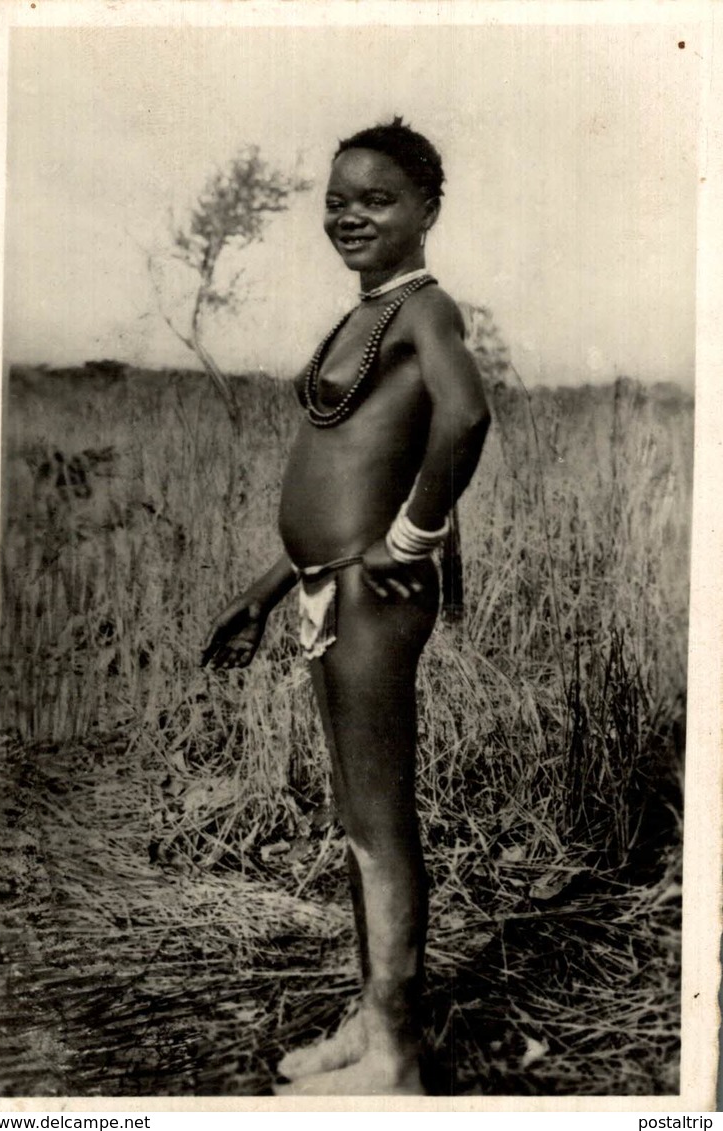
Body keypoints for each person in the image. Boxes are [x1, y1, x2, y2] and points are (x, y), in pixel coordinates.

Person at [202, 119, 491, 1096]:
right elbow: (340, 480)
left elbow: (466, 416)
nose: (350, 215)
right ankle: (369, 1021)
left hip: (375, 593)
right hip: (329, 585)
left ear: (426, 212)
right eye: (337, 200)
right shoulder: (362, 313)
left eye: (376, 199)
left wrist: (413, 537)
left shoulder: (426, 311)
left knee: (379, 820)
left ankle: (398, 1058)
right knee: (355, 817)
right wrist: (268, 584)